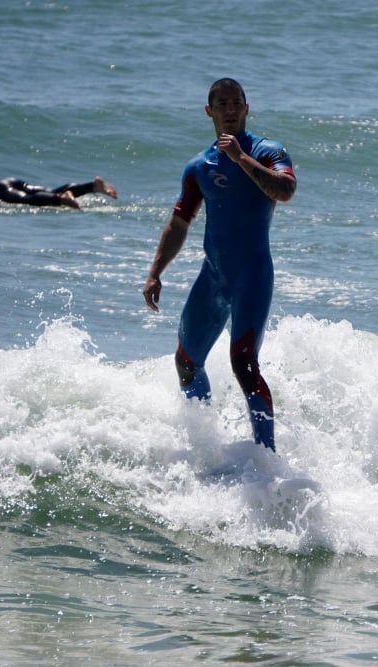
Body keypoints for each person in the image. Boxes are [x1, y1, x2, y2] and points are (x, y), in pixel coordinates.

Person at [142, 78, 296, 452]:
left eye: (236, 103)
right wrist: (155, 271)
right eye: (222, 104)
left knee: (243, 364)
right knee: (186, 363)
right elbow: (179, 223)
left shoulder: (266, 151)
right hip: (213, 277)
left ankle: (266, 458)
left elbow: (285, 190)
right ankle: (205, 443)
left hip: (252, 276)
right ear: (209, 111)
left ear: (247, 108)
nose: (230, 110)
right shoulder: (198, 166)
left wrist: (239, 159)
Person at [0, 146, 117, 209]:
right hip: (7, 181)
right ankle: (92, 186)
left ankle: (62, 199)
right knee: (49, 191)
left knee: (27, 201)